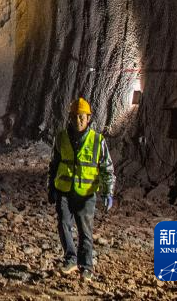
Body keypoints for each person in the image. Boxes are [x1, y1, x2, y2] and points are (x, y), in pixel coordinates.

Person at [48, 97, 115, 280]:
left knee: (85, 231)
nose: (78, 120)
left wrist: (108, 191)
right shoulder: (61, 138)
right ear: (69, 117)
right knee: (63, 225)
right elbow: (54, 164)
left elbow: (106, 168)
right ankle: (70, 259)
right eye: (75, 116)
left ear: (88, 118)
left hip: (86, 194)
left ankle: (86, 266)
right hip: (64, 190)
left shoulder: (97, 141)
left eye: (82, 117)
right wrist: (51, 187)